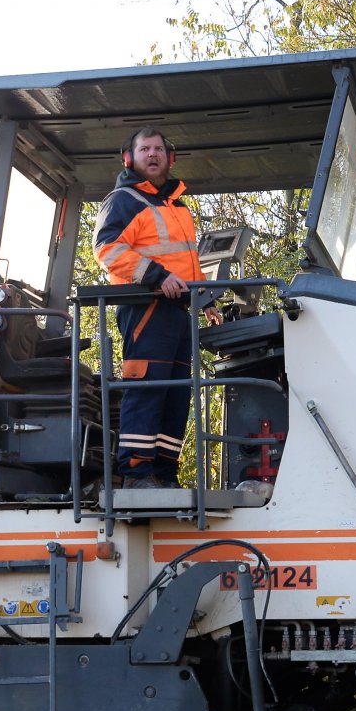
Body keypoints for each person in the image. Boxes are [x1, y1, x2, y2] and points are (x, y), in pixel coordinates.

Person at [94, 127, 203, 488]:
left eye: (158, 149)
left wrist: (208, 300)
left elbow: (187, 263)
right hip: (145, 308)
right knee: (147, 389)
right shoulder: (123, 200)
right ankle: (137, 475)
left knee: (176, 393)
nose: (153, 155)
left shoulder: (177, 206)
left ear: (170, 158)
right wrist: (156, 276)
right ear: (130, 158)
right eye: (145, 149)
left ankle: (164, 473)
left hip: (176, 312)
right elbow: (106, 249)